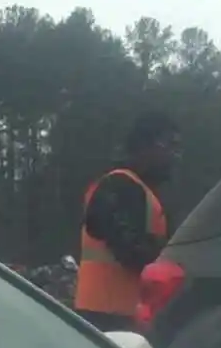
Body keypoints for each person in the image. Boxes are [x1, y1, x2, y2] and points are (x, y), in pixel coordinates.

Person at [74, 112, 181, 331]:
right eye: (169, 145)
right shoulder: (118, 187)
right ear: (146, 146)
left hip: (125, 317)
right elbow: (131, 250)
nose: (174, 155)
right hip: (104, 318)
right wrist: (174, 259)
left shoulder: (141, 191)